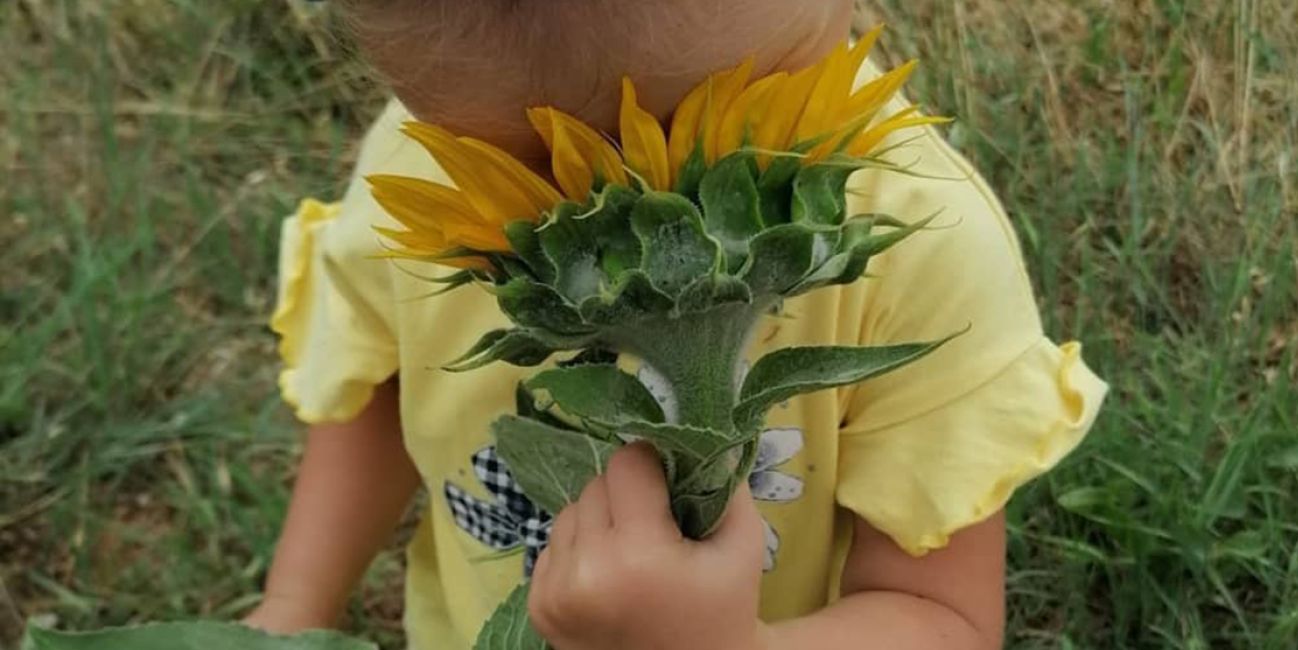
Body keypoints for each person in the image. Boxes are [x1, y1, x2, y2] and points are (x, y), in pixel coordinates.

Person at [245, 1, 1107, 648]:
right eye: (533, 170)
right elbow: (375, 382)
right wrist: (294, 607)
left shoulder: (925, 244)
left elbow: (943, 619)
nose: (625, 243)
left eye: (720, 160)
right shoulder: (431, 172)